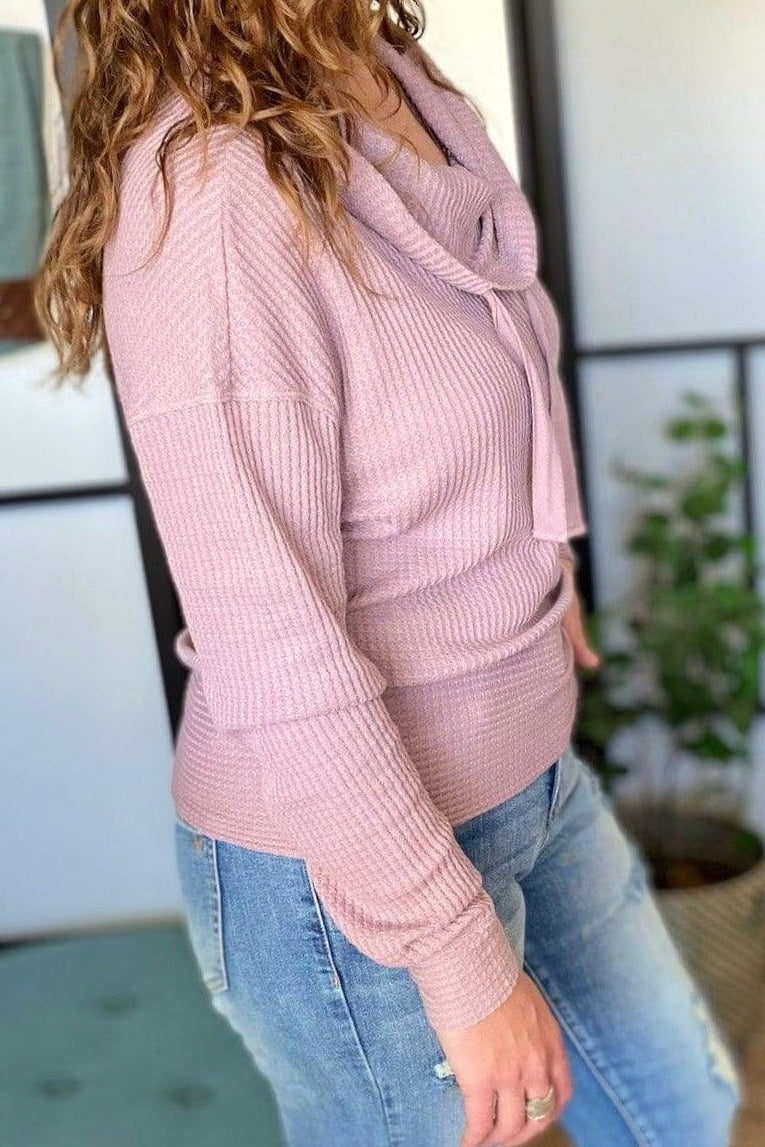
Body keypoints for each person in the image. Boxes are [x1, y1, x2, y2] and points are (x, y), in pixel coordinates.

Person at [36, 4, 742, 1145]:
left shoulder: (385, 70)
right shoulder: (211, 195)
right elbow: (273, 643)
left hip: (530, 772)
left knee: (682, 1112)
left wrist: (537, 565)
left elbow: (489, 352)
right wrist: (457, 958)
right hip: (348, 862)